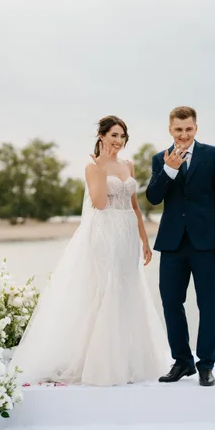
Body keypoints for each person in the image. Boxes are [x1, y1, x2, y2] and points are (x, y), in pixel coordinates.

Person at [10, 115, 168, 386]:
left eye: (122, 136)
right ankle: (100, 363)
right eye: (114, 135)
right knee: (106, 288)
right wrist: (100, 168)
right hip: (105, 233)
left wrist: (144, 240)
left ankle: (127, 359)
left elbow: (135, 206)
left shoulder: (128, 164)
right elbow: (99, 203)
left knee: (128, 288)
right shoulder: (93, 167)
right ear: (102, 136)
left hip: (128, 233)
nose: (118, 141)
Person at [146, 106, 215, 386]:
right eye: (178, 130)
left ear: (195, 128)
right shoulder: (160, 159)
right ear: (170, 130)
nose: (183, 135)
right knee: (171, 303)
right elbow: (153, 197)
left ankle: (206, 364)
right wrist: (169, 170)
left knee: (208, 304)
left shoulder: (213, 155)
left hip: (208, 243)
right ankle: (182, 362)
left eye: (188, 129)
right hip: (172, 243)